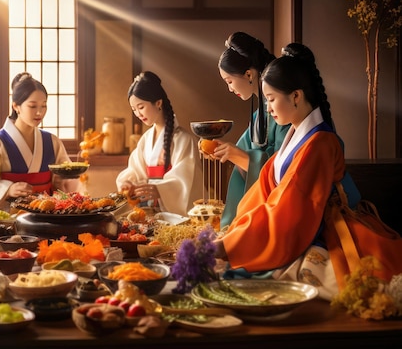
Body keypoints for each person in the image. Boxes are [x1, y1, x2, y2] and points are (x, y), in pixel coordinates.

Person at [213, 43, 361, 290]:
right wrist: (231, 234)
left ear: (296, 96)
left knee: (242, 274)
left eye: (271, 99)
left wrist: (230, 245)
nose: (268, 108)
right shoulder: (295, 135)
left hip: (323, 230)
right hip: (290, 223)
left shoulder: (320, 143)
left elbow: (288, 208)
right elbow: (262, 191)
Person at [0, 72, 80, 213]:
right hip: (8, 219)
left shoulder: (52, 142)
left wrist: (72, 179)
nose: (39, 112)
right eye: (33, 106)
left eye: (44, 106)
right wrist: (6, 189)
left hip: (46, 216)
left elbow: (64, 186)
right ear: (16, 106)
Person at [208, 32, 291, 229]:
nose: (229, 89)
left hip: (281, 211)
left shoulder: (283, 112)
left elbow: (285, 168)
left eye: (229, 81)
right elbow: (239, 152)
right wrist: (222, 150)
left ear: (248, 74)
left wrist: (244, 158)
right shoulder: (257, 117)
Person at [116, 71, 199, 217]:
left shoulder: (183, 139)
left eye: (141, 107)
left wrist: (160, 190)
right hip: (148, 212)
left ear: (158, 103)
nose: (138, 114)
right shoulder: (146, 139)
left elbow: (184, 181)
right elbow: (135, 170)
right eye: (134, 109)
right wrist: (128, 183)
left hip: (173, 214)